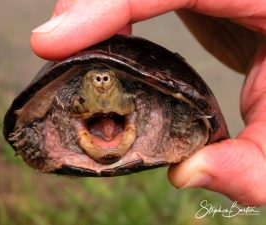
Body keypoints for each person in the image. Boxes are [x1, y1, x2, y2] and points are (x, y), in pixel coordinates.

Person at [30, 0, 266, 206]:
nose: (102, 88)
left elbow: (192, 109)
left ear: (134, 102)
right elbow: (28, 122)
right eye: (85, 97)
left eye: (114, 92)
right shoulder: (51, 121)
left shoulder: (163, 112)